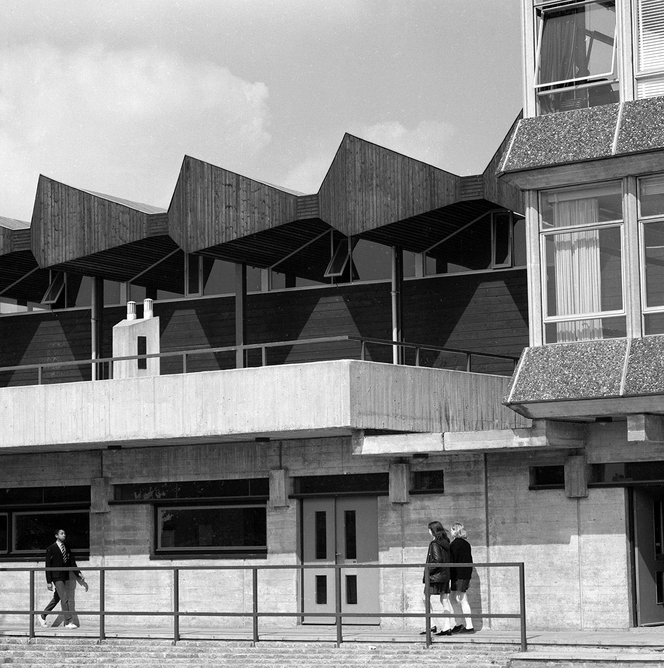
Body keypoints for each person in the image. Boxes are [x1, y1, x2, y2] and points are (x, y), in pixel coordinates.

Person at [38, 529, 88, 629]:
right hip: (56, 577)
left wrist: (78, 573)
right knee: (65, 597)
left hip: (64, 576)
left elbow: (72, 563)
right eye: (62, 533)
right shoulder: (51, 549)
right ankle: (68, 622)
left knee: (57, 598)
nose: (64, 535)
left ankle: (42, 615)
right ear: (56, 536)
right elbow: (48, 566)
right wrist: (49, 582)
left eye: (65, 533)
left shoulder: (66, 548)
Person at [420, 520, 454, 636]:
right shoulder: (445, 542)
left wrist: (427, 572)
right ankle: (447, 627)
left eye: (429, 529)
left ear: (432, 531)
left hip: (435, 577)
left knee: (425, 598)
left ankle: (431, 625)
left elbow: (437, 560)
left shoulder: (434, 544)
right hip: (444, 576)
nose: (428, 531)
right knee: (444, 600)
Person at [450, 521, 475, 634]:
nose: (450, 531)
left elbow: (452, 561)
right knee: (454, 598)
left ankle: (468, 626)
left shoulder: (455, 544)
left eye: (452, 529)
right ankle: (459, 623)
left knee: (462, 599)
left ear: (455, 530)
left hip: (459, 575)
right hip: (463, 575)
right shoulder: (466, 544)